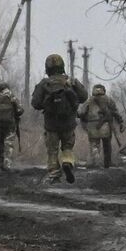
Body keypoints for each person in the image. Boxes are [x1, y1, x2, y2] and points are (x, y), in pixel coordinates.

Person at [29, 54, 88, 183]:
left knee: (52, 150)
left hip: (51, 124)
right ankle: (67, 162)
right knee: (67, 146)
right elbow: (84, 97)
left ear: (47, 68)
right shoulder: (70, 81)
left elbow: (35, 103)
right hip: (68, 123)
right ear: (62, 66)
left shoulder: (44, 83)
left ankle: (55, 176)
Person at [80, 84, 124, 169]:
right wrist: (121, 122)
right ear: (104, 90)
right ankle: (107, 163)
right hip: (106, 126)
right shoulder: (108, 99)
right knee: (107, 145)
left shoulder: (89, 101)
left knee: (94, 145)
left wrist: (85, 121)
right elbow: (115, 112)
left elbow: (81, 113)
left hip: (92, 126)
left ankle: (96, 162)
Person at [0, 83, 23, 171]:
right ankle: (7, 164)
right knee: (8, 143)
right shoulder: (12, 97)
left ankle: (0, 163)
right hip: (10, 124)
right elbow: (21, 110)